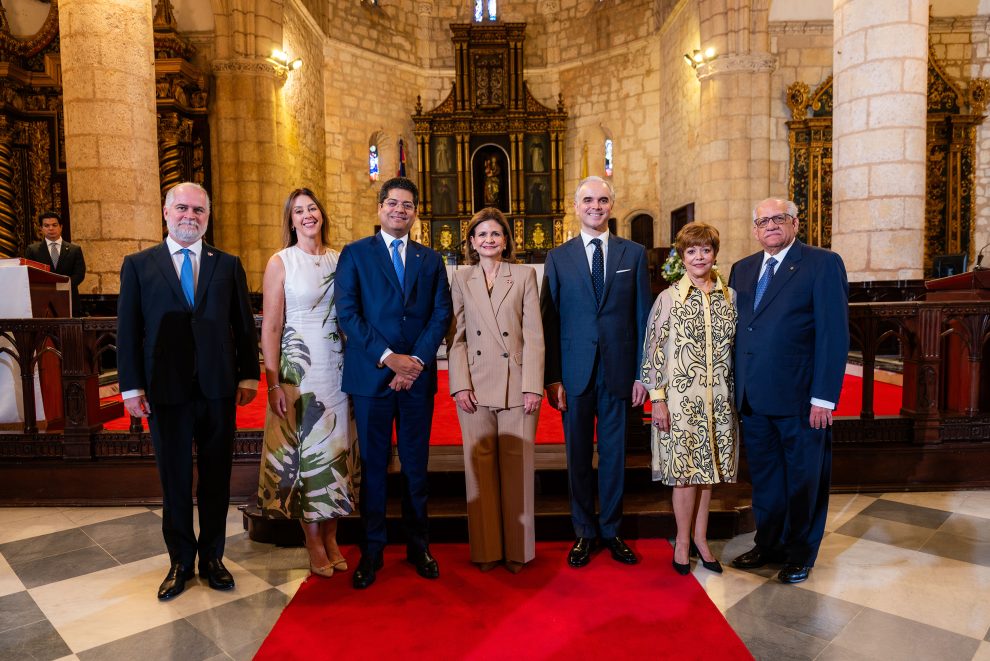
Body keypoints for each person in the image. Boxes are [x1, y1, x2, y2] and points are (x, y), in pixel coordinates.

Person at [117, 182, 259, 600]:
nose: (190, 217)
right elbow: (128, 331)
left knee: (216, 478)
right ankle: (180, 560)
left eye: (199, 210)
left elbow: (243, 325)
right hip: (166, 388)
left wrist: (248, 375)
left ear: (207, 217)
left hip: (218, 388)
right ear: (165, 211)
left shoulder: (227, 264)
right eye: (182, 208)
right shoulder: (140, 265)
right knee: (175, 479)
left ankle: (213, 557)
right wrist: (130, 387)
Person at [335, 176, 452, 589]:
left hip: (416, 380)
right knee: (375, 466)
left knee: (417, 466)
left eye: (407, 205)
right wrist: (390, 359)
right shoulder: (355, 255)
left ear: (415, 212)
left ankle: (419, 545)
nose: (399, 210)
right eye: (393, 204)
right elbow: (348, 314)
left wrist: (415, 361)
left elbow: (441, 314)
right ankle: (372, 549)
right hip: (373, 377)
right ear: (380, 208)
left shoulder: (430, 259)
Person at [729, 198, 849, 585]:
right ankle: (769, 544)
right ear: (755, 229)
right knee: (765, 480)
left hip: (800, 399)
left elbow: (833, 334)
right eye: (762, 221)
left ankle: (800, 554)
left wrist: (824, 397)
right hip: (754, 398)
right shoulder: (742, 269)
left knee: (803, 481)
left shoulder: (821, 263)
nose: (770, 226)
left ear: (795, 223)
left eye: (778, 219)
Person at [541, 175, 652, 567]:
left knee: (614, 454)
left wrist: (644, 374)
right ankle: (584, 531)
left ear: (611, 205)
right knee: (577, 456)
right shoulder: (558, 257)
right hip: (574, 374)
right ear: (576, 206)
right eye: (588, 200)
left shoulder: (634, 254)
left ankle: (612, 529)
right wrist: (552, 378)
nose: (596, 206)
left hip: (620, 372)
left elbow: (644, 319)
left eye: (603, 200)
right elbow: (549, 322)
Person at [257, 188, 359, 578]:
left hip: (337, 368)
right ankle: (313, 541)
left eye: (312, 208)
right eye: (298, 211)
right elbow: (271, 325)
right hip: (299, 372)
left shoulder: (340, 258)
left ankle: (332, 536)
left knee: (335, 453)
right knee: (306, 458)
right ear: (291, 219)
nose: (306, 215)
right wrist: (272, 382)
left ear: (322, 214)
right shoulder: (281, 262)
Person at [447, 208, 544, 573]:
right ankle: (487, 551)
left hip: (518, 385)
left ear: (506, 240)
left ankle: (519, 552)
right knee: (480, 469)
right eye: (482, 234)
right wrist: (459, 385)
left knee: (517, 468)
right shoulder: (461, 278)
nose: (489, 240)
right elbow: (454, 338)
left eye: (496, 234)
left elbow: (535, 336)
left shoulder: (524, 275)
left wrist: (533, 385)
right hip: (473, 385)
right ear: (472, 242)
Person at [640, 222, 738, 576]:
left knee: (707, 473)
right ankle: (682, 542)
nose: (699, 257)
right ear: (681, 257)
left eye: (705, 250)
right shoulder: (668, 298)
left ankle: (701, 538)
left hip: (718, 401)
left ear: (715, 253)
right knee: (684, 475)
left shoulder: (729, 296)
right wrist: (658, 399)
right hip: (681, 402)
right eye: (691, 251)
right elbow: (653, 353)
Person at [25, 211, 86, 316]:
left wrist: (62, 286)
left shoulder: (74, 249)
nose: (51, 228)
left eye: (54, 225)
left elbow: (79, 274)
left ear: (61, 227)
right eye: (46, 225)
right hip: (41, 302)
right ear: (41, 229)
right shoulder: (32, 250)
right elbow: (28, 274)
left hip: (69, 299)